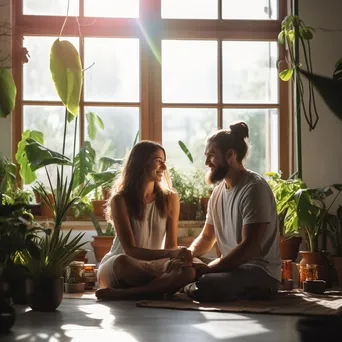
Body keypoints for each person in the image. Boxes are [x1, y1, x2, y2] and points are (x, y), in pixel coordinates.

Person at [183, 122, 281, 302]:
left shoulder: (254, 188)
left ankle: (190, 285)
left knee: (207, 283)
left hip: (258, 271)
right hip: (231, 269)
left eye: (211, 156)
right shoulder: (218, 193)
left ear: (230, 155)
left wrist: (210, 269)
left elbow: (250, 247)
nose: (206, 162)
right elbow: (206, 238)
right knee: (180, 266)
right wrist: (187, 256)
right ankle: (190, 283)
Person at [95, 140, 195, 300]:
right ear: (141, 163)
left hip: (153, 265)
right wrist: (172, 255)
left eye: (164, 162)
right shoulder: (120, 200)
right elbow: (130, 250)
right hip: (122, 264)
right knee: (123, 262)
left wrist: (178, 256)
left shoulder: (170, 198)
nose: (164, 167)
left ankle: (127, 294)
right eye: (158, 161)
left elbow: (170, 245)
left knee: (188, 270)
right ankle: (161, 287)